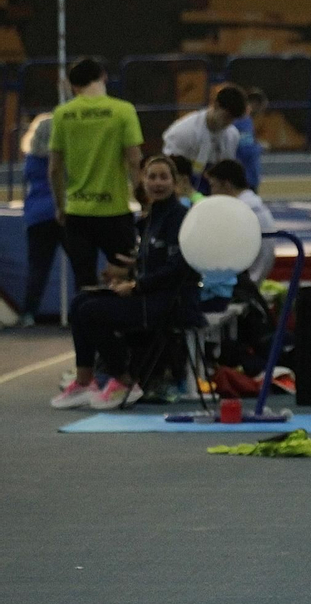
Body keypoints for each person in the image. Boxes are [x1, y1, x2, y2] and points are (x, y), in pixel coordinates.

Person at [51, 156, 199, 411]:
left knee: (91, 312)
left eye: (164, 177)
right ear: (143, 181)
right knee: (80, 301)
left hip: (168, 302)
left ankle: (124, 381)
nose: (157, 183)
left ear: (175, 183)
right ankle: (85, 382)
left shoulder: (179, 217)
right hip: (146, 293)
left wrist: (135, 287)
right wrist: (128, 270)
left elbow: (178, 268)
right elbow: (153, 260)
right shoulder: (149, 218)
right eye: (152, 177)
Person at [48, 57, 144, 292]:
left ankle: (86, 326)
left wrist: (60, 206)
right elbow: (134, 160)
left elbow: (54, 169)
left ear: (73, 86)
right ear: (104, 77)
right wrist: (144, 201)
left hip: (78, 213)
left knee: (84, 281)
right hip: (115, 211)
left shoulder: (62, 114)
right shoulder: (123, 111)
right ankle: (126, 327)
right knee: (126, 277)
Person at [19, 114, 59, 325]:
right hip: (62, 210)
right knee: (80, 263)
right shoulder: (62, 157)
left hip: (37, 215)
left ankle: (29, 312)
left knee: (38, 267)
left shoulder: (31, 159)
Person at [161, 84, 246, 182]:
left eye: (233, 119)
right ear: (216, 105)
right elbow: (169, 170)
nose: (228, 123)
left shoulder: (232, 135)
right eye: (226, 117)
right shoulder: (183, 132)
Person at [233, 87, 268, 191]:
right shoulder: (243, 121)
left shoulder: (244, 121)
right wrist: (259, 147)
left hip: (245, 177)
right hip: (245, 178)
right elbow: (246, 150)